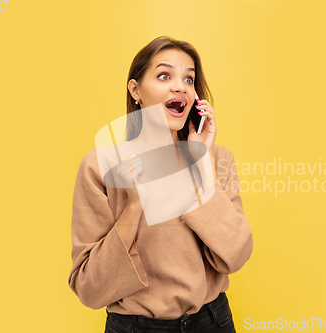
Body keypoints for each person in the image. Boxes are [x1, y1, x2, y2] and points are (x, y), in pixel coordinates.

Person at [68, 36, 253, 333]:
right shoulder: (100, 165)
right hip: (135, 327)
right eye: (164, 75)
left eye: (189, 79)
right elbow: (90, 288)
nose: (181, 86)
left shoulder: (216, 158)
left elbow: (236, 254)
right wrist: (133, 206)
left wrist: (201, 164)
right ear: (136, 89)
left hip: (212, 322)